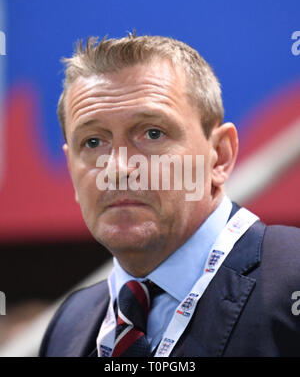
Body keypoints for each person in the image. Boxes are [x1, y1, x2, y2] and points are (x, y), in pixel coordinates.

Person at [39, 34, 300, 357]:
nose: (119, 168)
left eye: (152, 133)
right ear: (71, 168)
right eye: (93, 142)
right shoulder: (69, 324)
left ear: (219, 156)